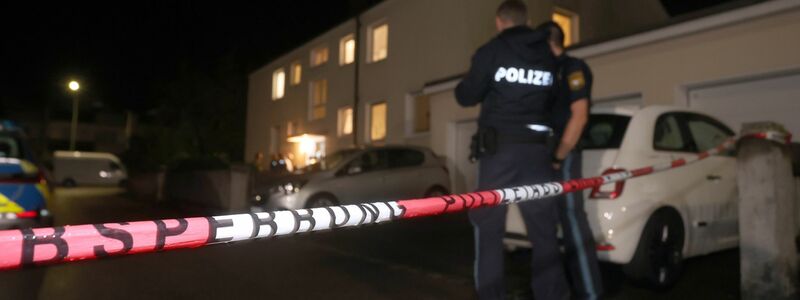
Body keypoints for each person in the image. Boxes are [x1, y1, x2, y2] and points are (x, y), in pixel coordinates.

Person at [455, 1, 569, 299]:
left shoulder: (491, 51)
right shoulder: (547, 55)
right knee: (544, 232)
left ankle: (491, 295)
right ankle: (552, 295)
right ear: (526, 20)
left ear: (499, 21)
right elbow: (557, 100)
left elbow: (466, 96)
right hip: (537, 153)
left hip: (499, 152)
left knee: (489, 229)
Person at [538, 21, 603, 299]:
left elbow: (579, 117)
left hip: (562, 151)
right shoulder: (546, 72)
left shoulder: (572, 67)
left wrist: (558, 155)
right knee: (547, 223)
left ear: (547, 42)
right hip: (544, 151)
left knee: (572, 220)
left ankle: (591, 293)